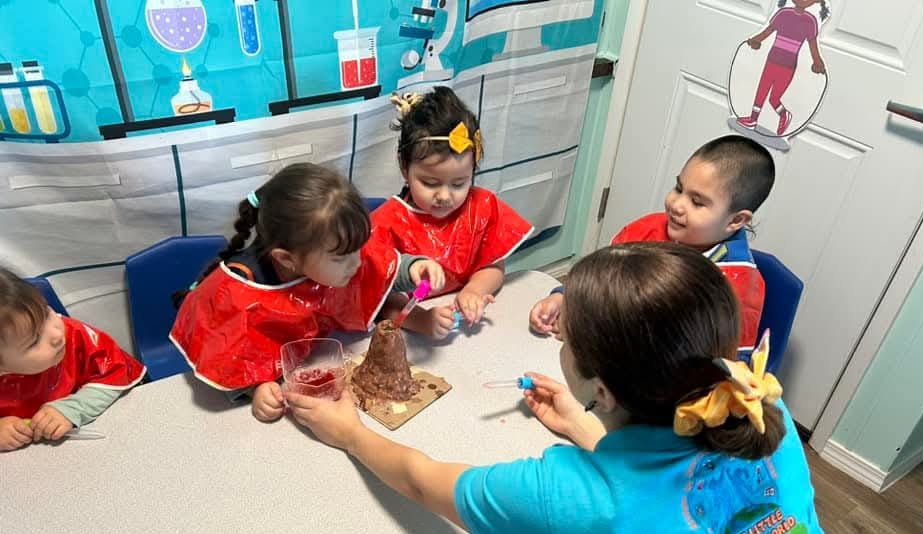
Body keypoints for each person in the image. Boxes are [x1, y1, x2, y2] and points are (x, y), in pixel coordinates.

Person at [288, 243, 857, 534]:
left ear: (603, 388)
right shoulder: (757, 407)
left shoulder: (568, 500)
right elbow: (668, 481)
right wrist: (589, 426)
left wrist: (350, 432)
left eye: (567, 339)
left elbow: (419, 480)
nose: (561, 344)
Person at [169, 163, 443, 422]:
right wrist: (258, 389)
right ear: (287, 259)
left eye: (359, 249)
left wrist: (413, 268)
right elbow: (228, 360)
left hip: (319, 358)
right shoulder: (238, 297)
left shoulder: (334, 250)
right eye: (343, 258)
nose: (357, 262)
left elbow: (376, 267)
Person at [530, 135, 773, 358]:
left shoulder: (733, 286)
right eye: (679, 188)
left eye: (697, 202)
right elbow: (600, 281)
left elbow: (724, 368)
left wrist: (594, 333)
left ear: (736, 220)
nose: (677, 204)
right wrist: (567, 300)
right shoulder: (647, 229)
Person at [372, 88, 534, 339]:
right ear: (405, 167)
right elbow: (379, 299)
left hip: (466, 335)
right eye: (430, 183)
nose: (445, 196)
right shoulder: (386, 223)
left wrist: (473, 291)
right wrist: (421, 320)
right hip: (407, 339)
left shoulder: (480, 208)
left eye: (459, 183)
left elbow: (493, 266)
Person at [0, 268, 145, 451]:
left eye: (47, 313)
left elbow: (114, 374)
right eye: (35, 340)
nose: (56, 334)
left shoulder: (75, 335)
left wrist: (71, 409)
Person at [737, 0, 830, 136]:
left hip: (788, 65)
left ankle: (784, 115)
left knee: (774, 98)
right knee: (762, 88)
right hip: (772, 59)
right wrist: (755, 40)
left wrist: (817, 62)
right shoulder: (783, 14)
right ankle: (753, 119)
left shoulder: (810, 21)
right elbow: (768, 31)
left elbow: (813, 45)